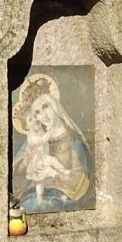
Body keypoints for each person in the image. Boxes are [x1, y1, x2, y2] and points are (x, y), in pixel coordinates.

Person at [11, 74, 92, 210]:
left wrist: (53, 173)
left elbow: (79, 185)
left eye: (45, 106)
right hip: (31, 197)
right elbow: (15, 179)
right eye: (37, 112)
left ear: (54, 105)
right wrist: (26, 160)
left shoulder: (74, 142)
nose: (43, 115)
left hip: (62, 200)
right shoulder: (34, 141)